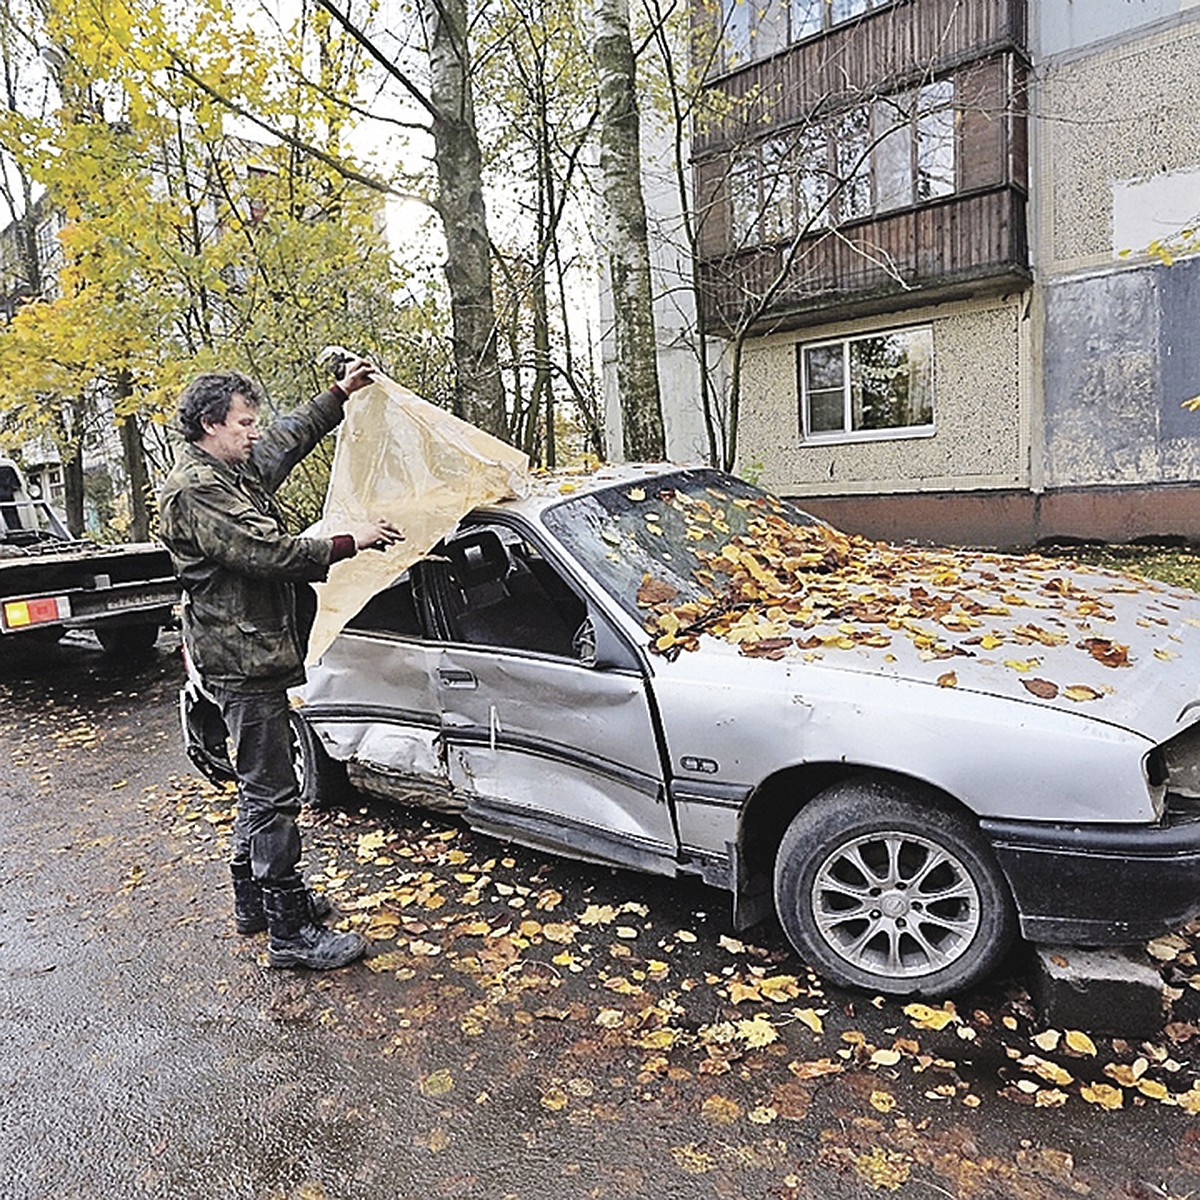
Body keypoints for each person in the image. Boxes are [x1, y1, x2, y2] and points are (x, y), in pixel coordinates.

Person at [158, 360, 404, 970]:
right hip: (242, 661)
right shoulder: (198, 490)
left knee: (256, 781)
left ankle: (254, 903)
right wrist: (353, 540)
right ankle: (289, 931)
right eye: (244, 422)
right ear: (211, 425)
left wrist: (338, 395)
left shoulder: (228, 472)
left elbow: (287, 440)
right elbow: (266, 552)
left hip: (249, 650)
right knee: (273, 792)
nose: (254, 431)